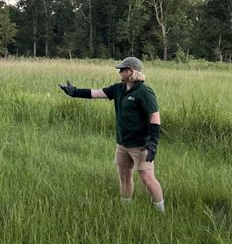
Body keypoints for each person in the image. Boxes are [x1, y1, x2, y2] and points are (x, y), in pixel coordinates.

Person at [59, 57, 165, 212]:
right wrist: (74, 92)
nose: (119, 71)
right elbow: (96, 93)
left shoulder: (144, 91)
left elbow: (154, 116)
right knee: (124, 176)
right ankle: (125, 206)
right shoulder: (118, 89)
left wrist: (153, 142)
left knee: (147, 179)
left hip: (140, 144)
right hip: (122, 143)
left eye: (122, 69)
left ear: (131, 71)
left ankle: (160, 211)